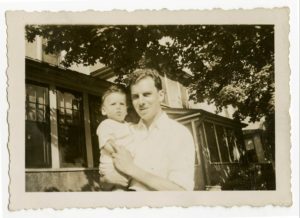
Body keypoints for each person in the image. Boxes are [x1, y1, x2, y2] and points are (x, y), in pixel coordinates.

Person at [101, 69, 195, 191]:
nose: (141, 102)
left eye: (146, 94)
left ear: (161, 95)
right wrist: (106, 180)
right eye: (135, 97)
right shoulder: (126, 131)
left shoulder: (178, 133)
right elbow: (105, 180)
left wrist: (131, 168)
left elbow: (181, 192)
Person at [96, 84, 134, 191]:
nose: (118, 107)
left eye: (122, 104)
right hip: (111, 167)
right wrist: (123, 154)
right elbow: (107, 145)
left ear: (126, 109)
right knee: (118, 191)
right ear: (104, 110)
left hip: (126, 166)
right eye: (113, 104)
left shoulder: (128, 126)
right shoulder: (106, 124)